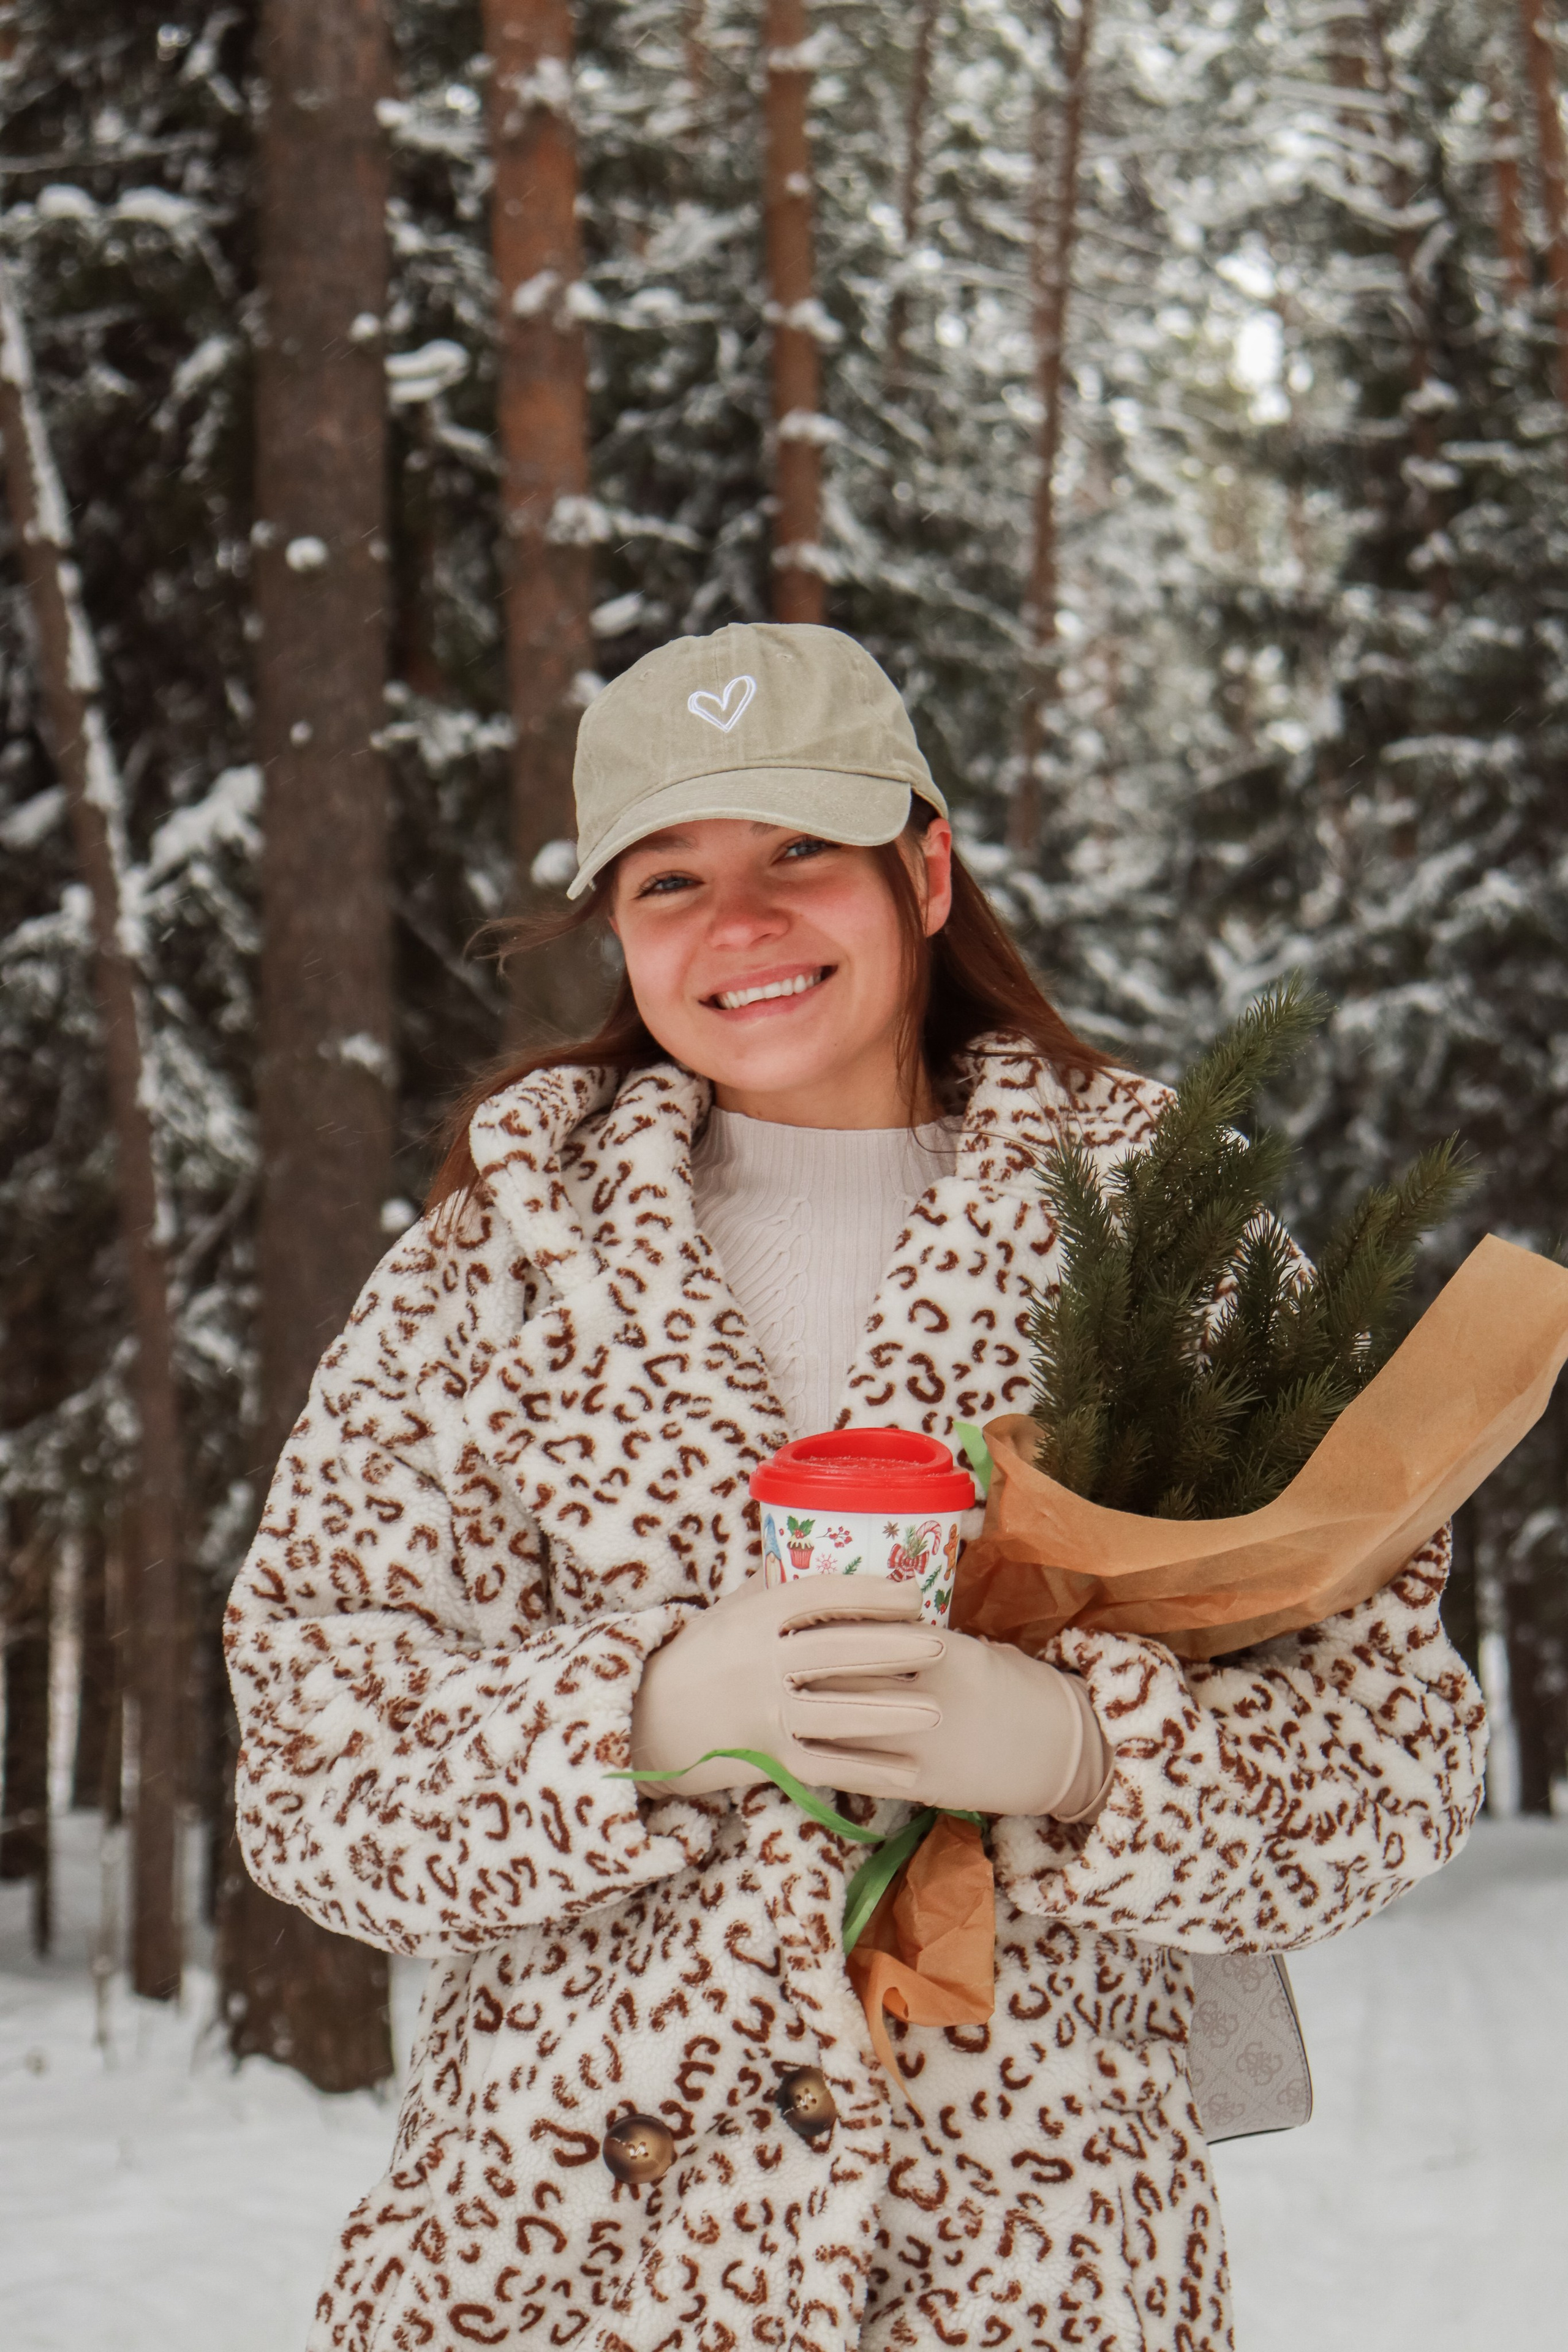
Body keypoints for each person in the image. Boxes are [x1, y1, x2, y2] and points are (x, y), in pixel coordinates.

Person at [226, 622, 1487, 2352]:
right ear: (619, 928)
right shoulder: (494, 1274)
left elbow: (1399, 1754)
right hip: (561, 2261)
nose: (738, 924)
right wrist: (646, 1714)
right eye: (671, 880)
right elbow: (311, 1772)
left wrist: (1078, 1754)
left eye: (798, 852)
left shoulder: (1174, 1253)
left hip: (1031, 2270)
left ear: (928, 868)